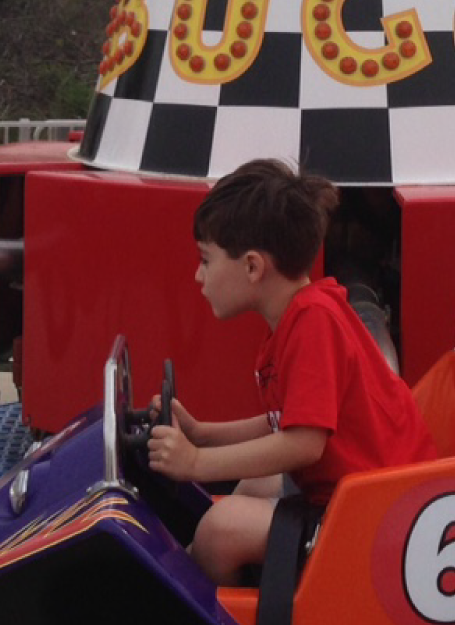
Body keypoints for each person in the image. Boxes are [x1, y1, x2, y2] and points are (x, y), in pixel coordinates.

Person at [147, 158, 438, 585]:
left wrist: (195, 462)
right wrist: (205, 434)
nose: (198, 275)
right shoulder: (304, 315)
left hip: (381, 519)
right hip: (363, 498)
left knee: (220, 530)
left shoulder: (313, 324)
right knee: (250, 487)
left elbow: (304, 445)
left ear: (251, 266)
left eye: (206, 260)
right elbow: (286, 421)